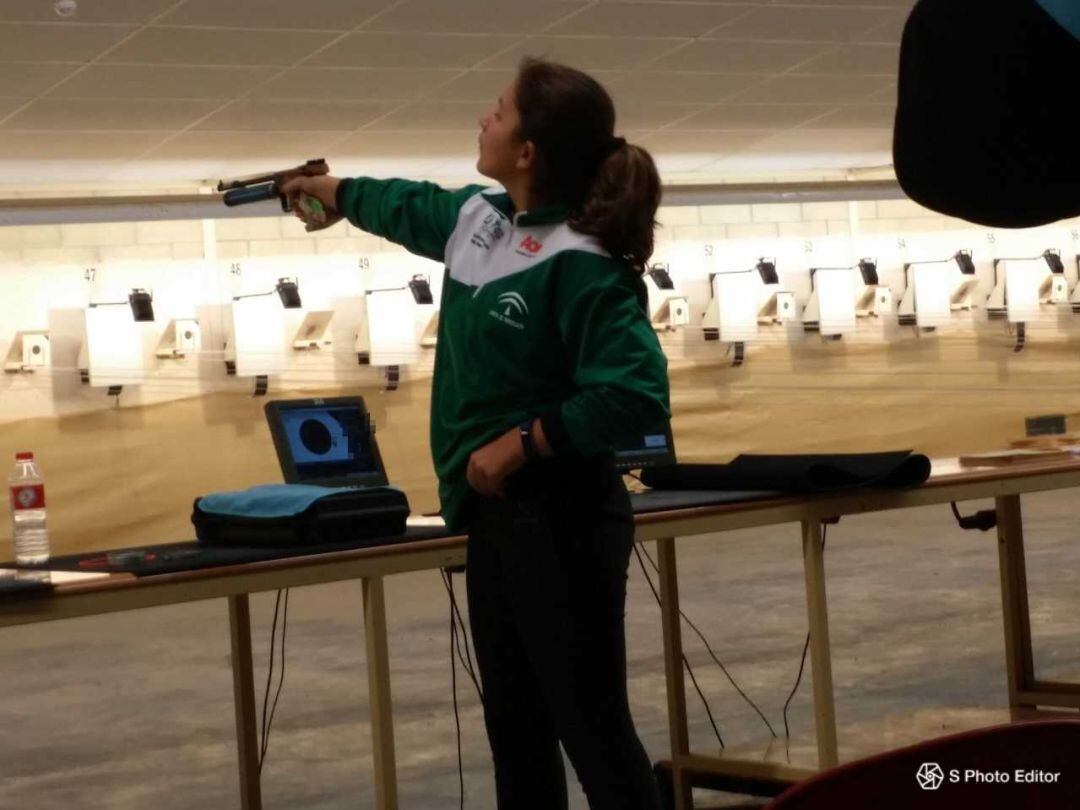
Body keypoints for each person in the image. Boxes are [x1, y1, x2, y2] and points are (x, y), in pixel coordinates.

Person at [281, 57, 670, 810]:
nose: (482, 119)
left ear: (528, 152)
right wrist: (329, 190)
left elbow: (635, 393)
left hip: (561, 516)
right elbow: (408, 205)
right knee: (517, 734)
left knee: (591, 729)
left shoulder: (584, 262)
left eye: (498, 111)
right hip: (496, 518)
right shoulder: (482, 221)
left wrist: (523, 441)